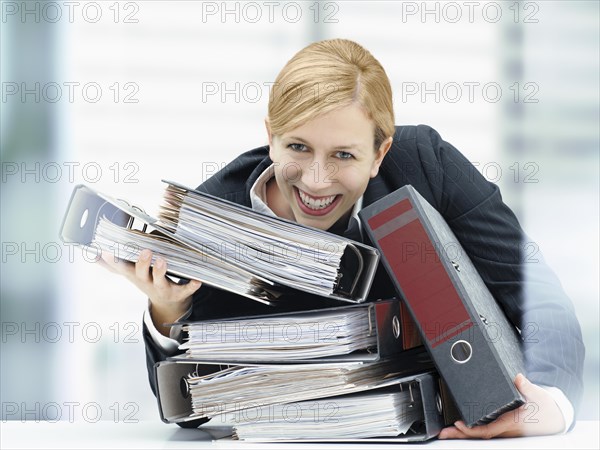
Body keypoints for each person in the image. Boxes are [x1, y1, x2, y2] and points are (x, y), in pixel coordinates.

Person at [101, 38, 584, 439]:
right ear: (270, 136)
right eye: (297, 147)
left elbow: (536, 295)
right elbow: (190, 408)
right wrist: (167, 314)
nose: (315, 179)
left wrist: (552, 405)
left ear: (380, 153)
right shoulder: (212, 218)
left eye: (344, 156)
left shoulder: (424, 167)